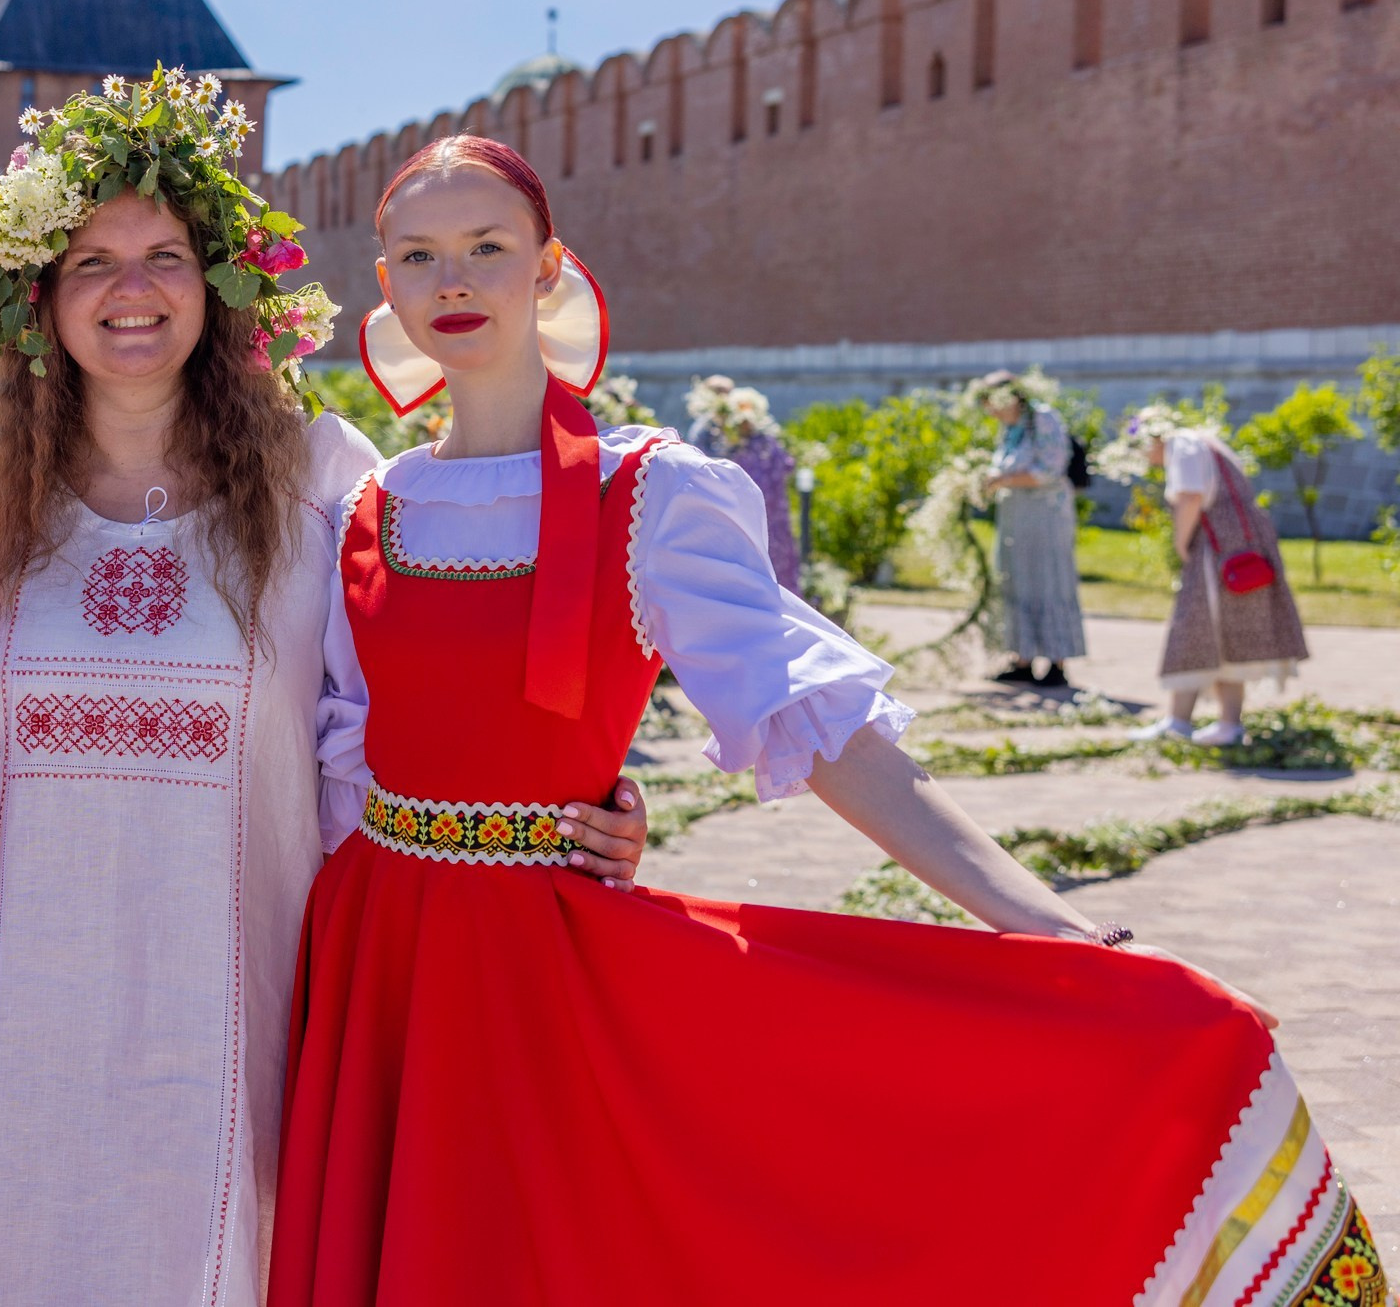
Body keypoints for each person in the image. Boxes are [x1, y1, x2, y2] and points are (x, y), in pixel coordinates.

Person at [267, 137, 1381, 1307]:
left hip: (546, 968)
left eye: (488, 247)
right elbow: (339, 761)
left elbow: (820, 724)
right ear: (383, 285)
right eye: (419, 254)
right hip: (381, 956)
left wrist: (1043, 922)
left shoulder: (648, 493)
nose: (454, 279)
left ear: (549, 269)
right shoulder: (364, 506)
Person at [0, 76, 650, 1307]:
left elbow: (430, 662)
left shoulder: (323, 483)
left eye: (166, 255)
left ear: (221, 282)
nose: (133, 290)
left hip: (235, 990)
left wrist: (575, 790)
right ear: (38, 298)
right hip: (8, 998)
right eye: (91, 262)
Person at [1116, 406, 1308, 745]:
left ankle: (1184, 722)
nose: (1146, 456)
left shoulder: (1184, 444)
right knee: (1223, 632)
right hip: (1240, 546)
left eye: (1143, 446)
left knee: (1195, 626)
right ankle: (1224, 723)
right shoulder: (1206, 442)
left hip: (1218, 549)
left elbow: (1190, 496)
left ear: (1155, 436)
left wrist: (1180, 543)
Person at [975, 369, 1088, 688]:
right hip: (1016, 517)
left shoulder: (1043, 418)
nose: (990, 411)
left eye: (992, 401)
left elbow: (1050, 469)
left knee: (1049, 579)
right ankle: (1021, 657)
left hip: (1046, 516)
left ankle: (1056, 660)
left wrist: (1002, 480)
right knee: (1016, 579)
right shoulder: (1009, 429)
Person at [683, 372, 799, 589]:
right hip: (725, 507)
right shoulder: (704, 429)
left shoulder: (749, 423)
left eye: (727, 392)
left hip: (764, 505)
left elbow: (775, 456)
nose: (724, 397)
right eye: (718, 393)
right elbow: (706, 461)